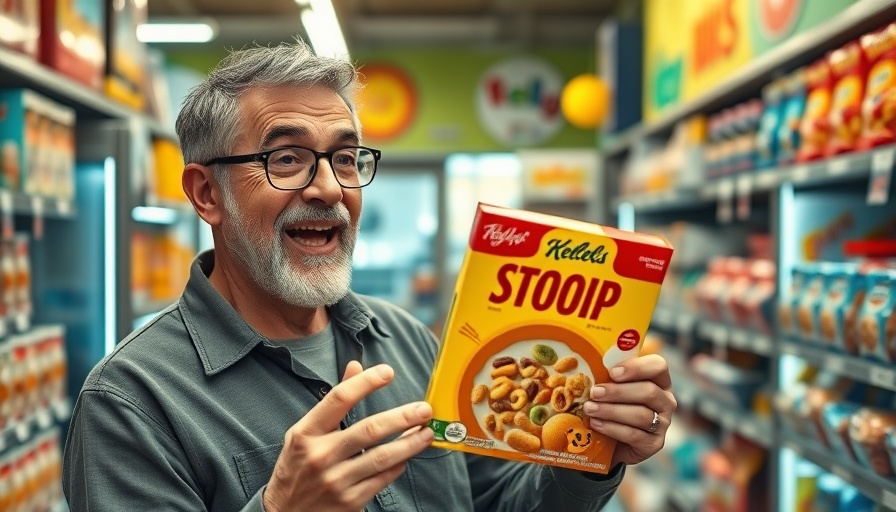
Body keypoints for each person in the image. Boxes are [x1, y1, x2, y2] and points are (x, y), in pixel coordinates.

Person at [62, 40, 677, 512]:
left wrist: (586, 455)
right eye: (287, 159)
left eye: (346, 158)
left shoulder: (408, 339)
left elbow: (497, 499)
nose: (330, 187)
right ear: (206, 193)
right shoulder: (130, 403)